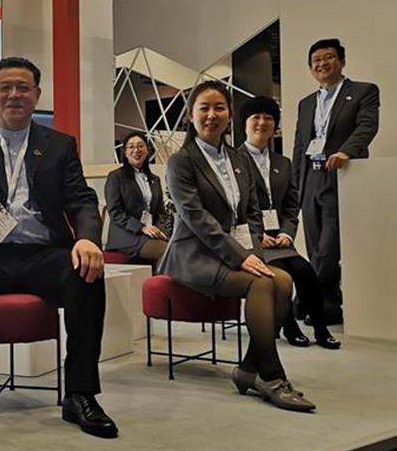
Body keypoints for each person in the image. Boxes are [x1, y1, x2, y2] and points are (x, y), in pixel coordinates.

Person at [0, 57, 118, 444]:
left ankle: (80, 395)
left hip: (42, 252)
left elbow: (81, 199)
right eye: (5, 87)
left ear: (37, 95)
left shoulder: (59, 145)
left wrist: (87, 238)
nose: (14, 94)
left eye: (23, 87)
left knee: (86, 274)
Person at [160, 80, 315, 412]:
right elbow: (196, 218)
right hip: (194, 254)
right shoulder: (181, 162)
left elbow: (252, 213)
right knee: (262, 283)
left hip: (236, 250)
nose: (212, 115)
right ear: (190, 115)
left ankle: (247, 369)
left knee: (283, 280)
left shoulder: (238, 158)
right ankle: (271, 376)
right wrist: (241, 257)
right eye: (204, 108)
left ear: (230, 115)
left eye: (220, 108)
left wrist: (252, 253)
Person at [237, 96, 340, 350]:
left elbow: (293, 204)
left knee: (306, 272)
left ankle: (320, 328)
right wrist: (257, 235)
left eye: (268, 118)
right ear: (244, 124)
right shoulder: (233, 160)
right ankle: (289, 326)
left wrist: (287, 233)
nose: (262, 123)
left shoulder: (283, 163)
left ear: (275, 126)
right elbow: (234, 206)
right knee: (280, 275)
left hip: (280, 239)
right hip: (251, 239)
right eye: (256, 117)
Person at [292, 39, 380, 325]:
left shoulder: (363, 91)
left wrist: (347, 151)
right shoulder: (306, 103)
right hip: (310, 177)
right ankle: (329, 305)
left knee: (329, 249)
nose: (322, 64)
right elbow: (299, 145)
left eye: (328, 57)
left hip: (341, 175)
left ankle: (305, 300)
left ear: (342, 61)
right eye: (316, 60)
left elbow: (367, 125)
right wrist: (295, 187)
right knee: (315, 246)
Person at [104, 131, 167, 265]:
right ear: (125, 152)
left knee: (179, 248)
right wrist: (141, 228)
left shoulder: (155, 179)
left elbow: (160, 212)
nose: (136, 150)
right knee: (166, 251)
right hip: (126, 234)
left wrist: (160, 230)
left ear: (147, 150)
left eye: (140, 146)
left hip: (149, 233)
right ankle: (159, 279)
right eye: (131, 147)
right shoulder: (116, 177)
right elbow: (115, 212)